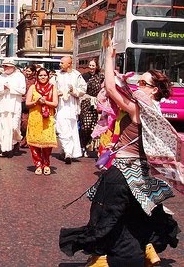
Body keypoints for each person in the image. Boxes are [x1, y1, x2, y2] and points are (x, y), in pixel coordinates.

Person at [59, 42, 180, 266]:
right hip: (143, 173)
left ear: (154, 89)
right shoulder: (156, 110)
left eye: (143, 83)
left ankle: (103, 256)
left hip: (124, 171)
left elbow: (111, 89)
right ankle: (146, 249)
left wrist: (109, 57)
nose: (137, 85)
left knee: (104, 215)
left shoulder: (138, 109)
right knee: (139, 216)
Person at [25, 68, 58, 175]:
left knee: (47, 144)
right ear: (37, 77)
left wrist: (45, 102)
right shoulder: (32, 88)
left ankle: (46, 164)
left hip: (48, 119)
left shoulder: (52, 88)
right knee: (34, 144)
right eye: (40, 75)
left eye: (45, 75)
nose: (43, 77)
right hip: (35, 117)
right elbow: (27, 103)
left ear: (48, 76)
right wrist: (36, 102)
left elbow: (55, 104)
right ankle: (38, 164)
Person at [55, 56, 87, 164]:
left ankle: (69, 151)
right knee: (61, 127)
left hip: (72, 105)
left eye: (62, 62)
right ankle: (67, 151)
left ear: (69, 64)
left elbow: (83, 89)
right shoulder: (57, 75)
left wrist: (73, 91)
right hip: (61, 105)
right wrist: (57, 93)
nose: (60, 64)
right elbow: (52, 88)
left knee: (71, 128)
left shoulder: (76, 75)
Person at [0, 58, 26, 157]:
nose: (5, 68)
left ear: (12, 67)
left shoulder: (20, 76)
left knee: (13, 127)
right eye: (4, 66)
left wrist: (10, 88)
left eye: (7, 66)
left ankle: (16, 140)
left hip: (14, 105)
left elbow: (22, 91)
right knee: (3, 128)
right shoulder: (1, 77)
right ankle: (5, 150)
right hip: (3, 105)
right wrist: (3, 89)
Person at [79, 59, 103, 157]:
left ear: (97, 66)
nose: (91, 67)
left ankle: (88, 146)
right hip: (86, 103)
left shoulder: (101, 77)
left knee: (93, 127)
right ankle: (82, 145)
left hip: (97, 103)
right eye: (90, 65)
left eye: (93, 65)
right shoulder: (84, 77)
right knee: (85, 126)